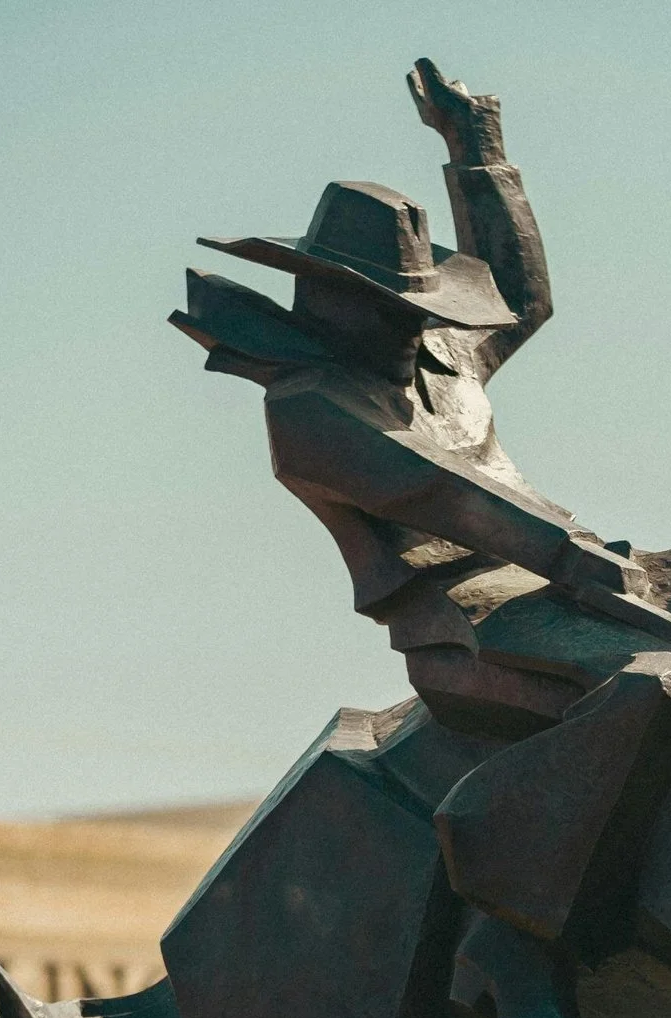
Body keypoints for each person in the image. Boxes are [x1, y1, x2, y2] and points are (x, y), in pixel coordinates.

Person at [175, 58, 641, 740]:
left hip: (556, 591)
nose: (414, 324)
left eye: (416, 307)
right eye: (390, 308)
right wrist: (571, 552)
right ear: (328, 300)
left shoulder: (446, 362)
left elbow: (518, 300)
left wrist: (477, 149)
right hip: (466, 638)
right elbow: (431, 488)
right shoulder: (310, 406)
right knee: (654, 685)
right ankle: (494, 838)